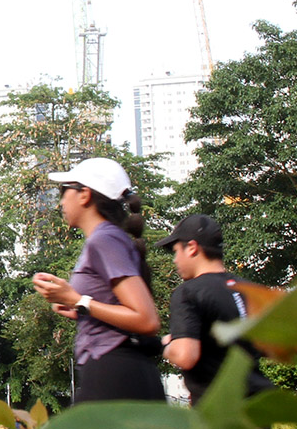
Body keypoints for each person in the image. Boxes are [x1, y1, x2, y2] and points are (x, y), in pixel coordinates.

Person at [32, 158, 164, 405]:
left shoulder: (104, 240)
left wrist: (77, 299)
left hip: (115, 373)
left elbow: (146, 319)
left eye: (65, 191)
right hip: (117, 371)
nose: (61, 201)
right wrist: (76, 308)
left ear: (84, 195)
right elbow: (116, 306)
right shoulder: (109, 239)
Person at [156, 214, 275, 404]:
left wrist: (165, 344)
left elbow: (185, 356)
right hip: (258, 405)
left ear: (192, 248)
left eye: (176, 251)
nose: (175, 260)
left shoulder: (188, 292)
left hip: (220, 410)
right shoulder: (250, 289)